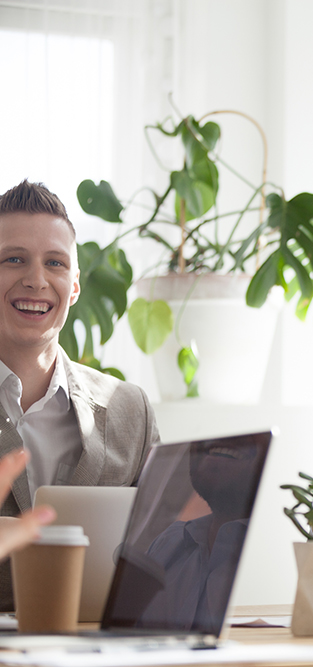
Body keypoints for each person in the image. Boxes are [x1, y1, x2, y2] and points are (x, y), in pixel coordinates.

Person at [0, 180, 159, 610]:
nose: (36, 280)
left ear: (74, 286)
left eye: (55, 263)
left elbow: (165, 555)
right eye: (14, 259)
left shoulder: (131, 410)